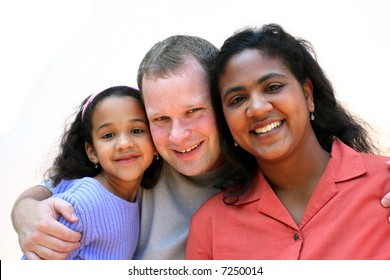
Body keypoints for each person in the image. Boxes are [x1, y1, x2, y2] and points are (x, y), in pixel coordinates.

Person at [10, 34, 390, 260]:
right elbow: (63, 183)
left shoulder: (271, 162)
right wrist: (25, 209)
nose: (178, 136)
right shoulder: (141, 163)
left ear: (224, 102)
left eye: (194, 111)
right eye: (160, 119)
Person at [185, 24, 390, 259]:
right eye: (237, 99)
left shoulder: (384, 186)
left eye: (273, 87)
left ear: (307, 94)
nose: (258, 109)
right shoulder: (210, 226)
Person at [21, 86, 162, 259]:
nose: (124, 143)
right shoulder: (81, 204)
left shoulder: (138, 198)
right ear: (92, 152)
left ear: (155, 141)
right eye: (108, 135)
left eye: (137, 130)